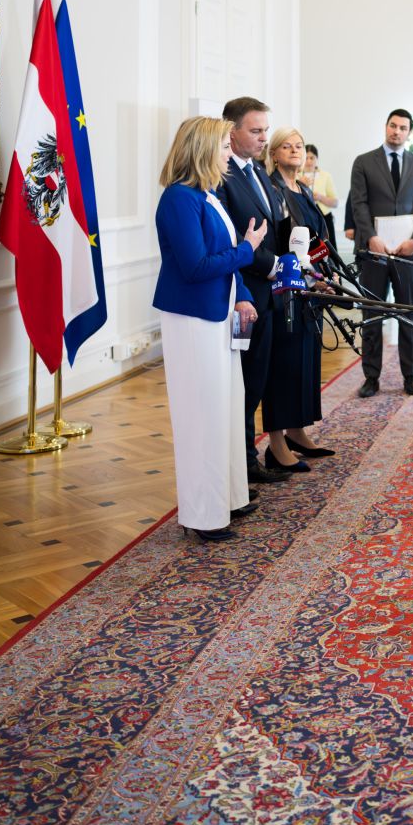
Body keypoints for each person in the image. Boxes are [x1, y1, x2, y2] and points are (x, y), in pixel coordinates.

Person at [153, 118, 263, 542]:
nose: (228, 153)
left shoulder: (207, 195)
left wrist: (242, 295)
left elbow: (224, 257)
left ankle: (229, 497)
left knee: (226, 408)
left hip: (219, 313)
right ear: (201, 149)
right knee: (201, 416)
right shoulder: (178, 199)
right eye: (223, 146)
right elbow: (196, 267)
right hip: (193, 319)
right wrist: (247, 250)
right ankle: (202, 514)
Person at [215, 97, 293, 487]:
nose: (264, 138)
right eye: (256, 131)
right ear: (232, 131)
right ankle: (240, 464)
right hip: (242, 293)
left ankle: (248, 459)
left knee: (257, 377)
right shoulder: (221, 174)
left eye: (266, 130)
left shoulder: (259, 172)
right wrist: (272, 264)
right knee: (241, 380)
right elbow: (231, 238)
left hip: (269, 294)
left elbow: (271, 228)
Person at [347, 109, 413, 398]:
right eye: (393, 126)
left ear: (409, 132)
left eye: (403, 127)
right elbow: (358, 204)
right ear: (386, 127)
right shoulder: (363, 162)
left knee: (409, 313)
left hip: (407, 253)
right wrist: (370, 237)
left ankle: (411, 376)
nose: (397, 131)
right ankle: (371, 378)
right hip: (373, 252)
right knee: (372, 314)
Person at [263, 127, 336, 471]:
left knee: (306, 362)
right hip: (285, 288)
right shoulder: (272, 189)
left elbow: (318, 238)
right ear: (274, 154)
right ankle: (276, 444)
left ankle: (297, 431)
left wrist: (326, 274)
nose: (295, 151)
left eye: (299, 146)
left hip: (311, 287)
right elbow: (278, 242)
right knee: (284, 364)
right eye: (287, 146)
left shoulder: (304, 189)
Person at [301, 143, 339, 246]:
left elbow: (335, 203)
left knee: (329, 248)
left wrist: (320, 197)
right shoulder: (297, 175)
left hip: (324, 217)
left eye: (312, 158)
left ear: (317, 158)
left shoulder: (325, 176)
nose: (309, 161)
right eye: (306, 158)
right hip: (305, 218)